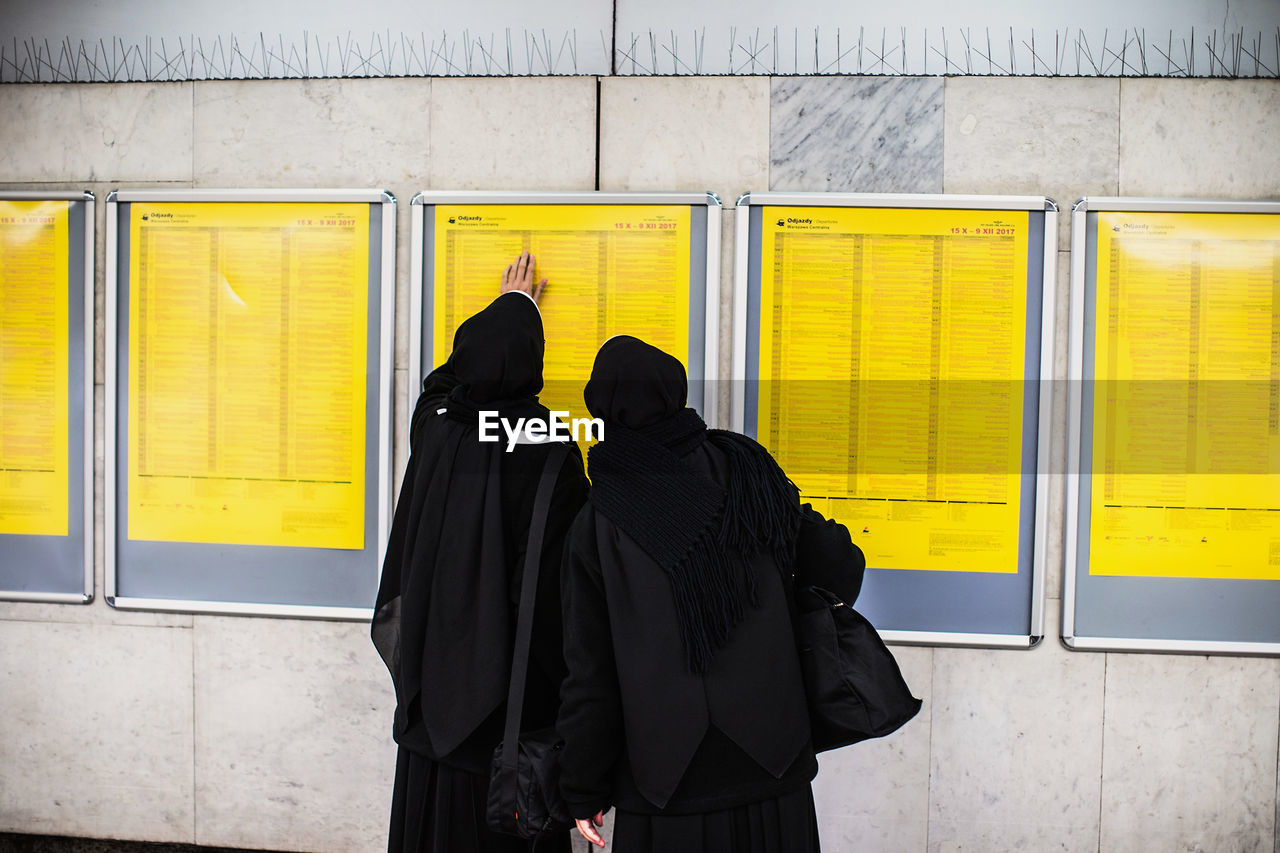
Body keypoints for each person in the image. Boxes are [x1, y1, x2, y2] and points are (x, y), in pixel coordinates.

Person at [556, 336, 866, 853]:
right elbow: (836, 564)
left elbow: (591, 675)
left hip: (665, 786)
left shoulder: (597, 521)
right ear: (676, 394)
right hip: (773, 764)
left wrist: (583, 787)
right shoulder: (747, 468)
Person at [372, 252, 589, 853]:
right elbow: (556, 600)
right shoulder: (551, 449)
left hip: (429, 715)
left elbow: (441, 384)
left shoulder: (438, 429)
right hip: (508, 730)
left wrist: (510, 307)